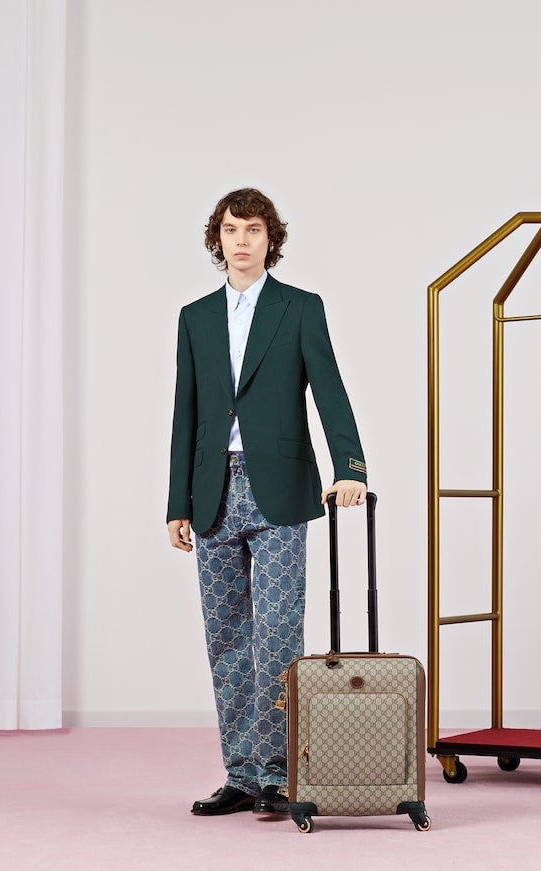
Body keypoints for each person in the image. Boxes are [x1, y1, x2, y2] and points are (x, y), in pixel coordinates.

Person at [167, 188, 368, 818]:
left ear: (269, 238)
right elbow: (187, 414)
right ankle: (242, 773)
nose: (242, 240)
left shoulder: (299, 308)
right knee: (226, 636)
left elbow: (329, 391)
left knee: (278, 635)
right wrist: (177, 502)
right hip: (211, 490)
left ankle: (279, 772)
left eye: (253, 229)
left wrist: (351, 468)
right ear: (217, 238)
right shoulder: (195, 317)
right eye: (231, 229)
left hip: (280, 484)